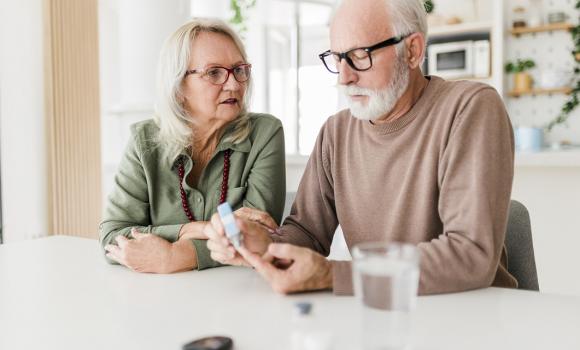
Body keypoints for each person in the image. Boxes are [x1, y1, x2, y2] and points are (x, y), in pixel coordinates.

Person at [204, 0, 518, 295]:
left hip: (472, 317)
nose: (344, 77)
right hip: (381, 313)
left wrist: (335, 276)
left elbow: (470, 255)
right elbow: (308, 235)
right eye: (337, 58)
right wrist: (261, 243)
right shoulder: (336, 132)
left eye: (359, 56)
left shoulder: (471, 108)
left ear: (412, 51)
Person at [99, 18, 286, 274]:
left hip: (237, 292)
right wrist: (195, 229)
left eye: (239, 70)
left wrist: (175, 256)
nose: (234, 84)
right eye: (214, 73)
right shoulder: (144, 140)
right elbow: (113, 235)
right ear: (178, 87)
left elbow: (258, 234)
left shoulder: (265, 133)